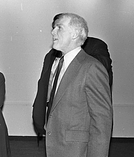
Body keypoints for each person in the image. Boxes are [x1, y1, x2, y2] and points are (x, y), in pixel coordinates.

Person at [33, 13, 113, 157]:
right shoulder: (59, 65)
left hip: (76, 151)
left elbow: (101, 123)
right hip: (56, 147)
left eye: (59, 27)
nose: (53, 32)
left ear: (75, 34)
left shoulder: (91, 67)